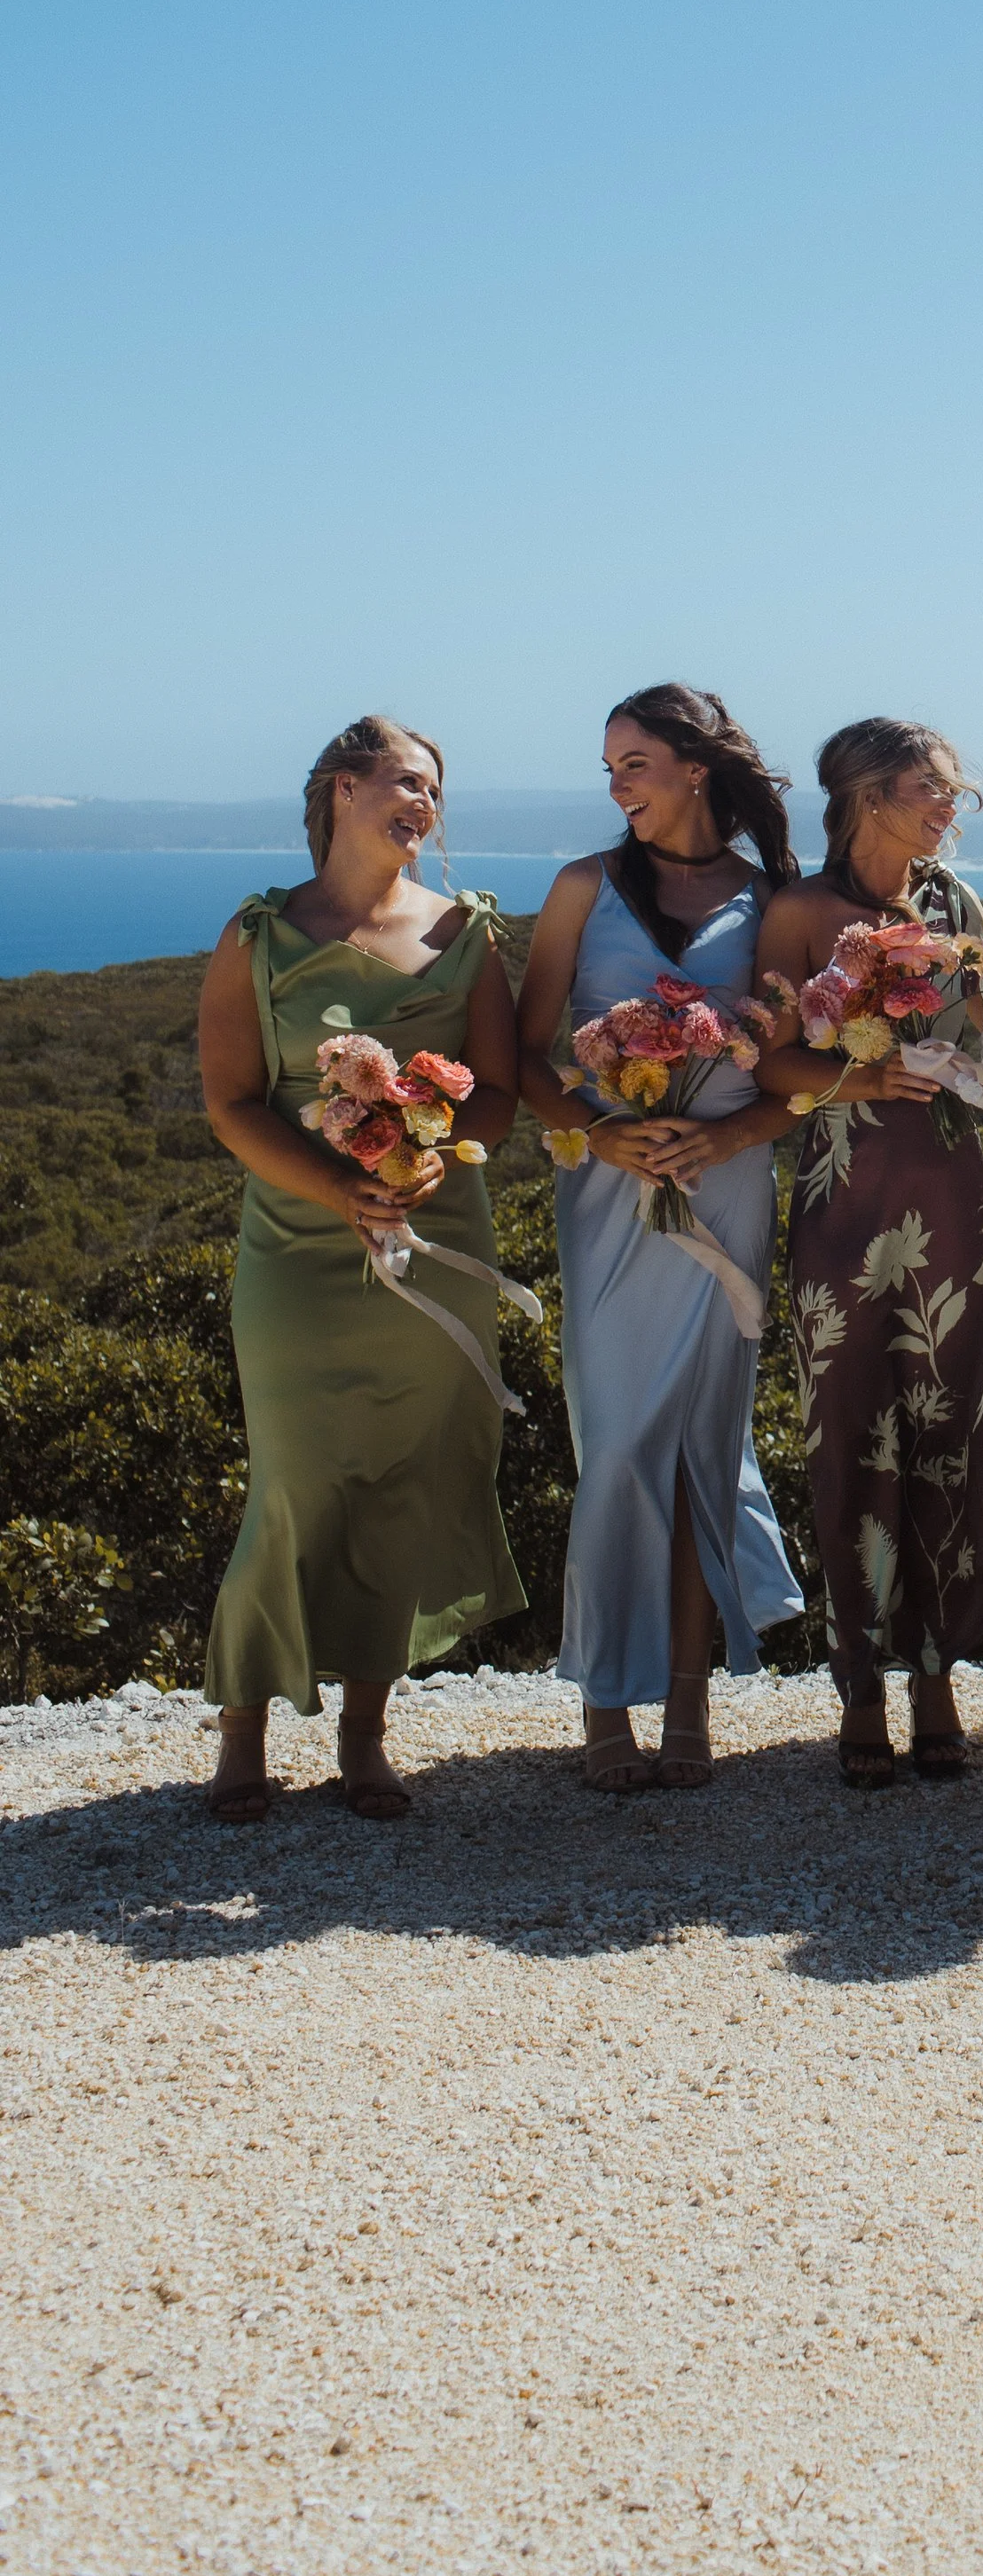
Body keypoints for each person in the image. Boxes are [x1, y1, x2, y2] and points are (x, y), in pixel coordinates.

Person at [197, 716, 526, 1819]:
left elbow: (499, 1097)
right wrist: (337, 1188)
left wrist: (430, 1166)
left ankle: (366, 1737)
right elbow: (232, 1103)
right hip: (297, 1247)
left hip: (435, 1243)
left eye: (435, 788)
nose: (424, 801)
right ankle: (243, 1726)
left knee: (403, 1476)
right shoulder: (259, 935)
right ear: (343, 790)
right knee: (293, 1479)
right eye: (405, 781)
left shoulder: (468, 933)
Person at [516, 684, 804, 1791]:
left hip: (726, 1189)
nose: (616, 785)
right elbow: (524, 1056)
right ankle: (603, 1702)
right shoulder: (582, 888)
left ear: (694, 768)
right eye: (609, 769)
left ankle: (687, 1699)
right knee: (618, 1441)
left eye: (632, 762)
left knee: (698, 1446)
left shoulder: (771, 896)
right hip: (610, 1195)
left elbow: (791, 1074)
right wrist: (604, 1130)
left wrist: (736, 1142)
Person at [752, 720, 983, 1786]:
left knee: (949, 1425)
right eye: (931, 789)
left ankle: (937, 1677)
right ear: (867, 795)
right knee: (846, 1432)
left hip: (955, 1194)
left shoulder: (956, 909)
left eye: (953, 792)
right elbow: (771, 1063)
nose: (948, 810)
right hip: (843, 1196)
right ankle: (861, 1684)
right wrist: (866, 1078)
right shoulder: (798, 910)